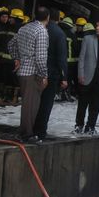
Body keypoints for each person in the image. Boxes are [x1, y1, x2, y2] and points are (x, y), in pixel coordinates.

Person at [10, 6, 50, 142]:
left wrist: (17, 59)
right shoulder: (41, 31)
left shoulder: (24, 28)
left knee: (27, 104)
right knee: (31, 105)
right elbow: (40, 57)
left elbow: (11, 44)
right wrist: (44, 75)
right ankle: (26, 134)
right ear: (48, 17)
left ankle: (25, 131)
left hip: (22, 72)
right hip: (33, 73)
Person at [33, 8, 69, 140]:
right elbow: (61, 58)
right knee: (46, 103)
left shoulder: (37, 30)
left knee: (34, 102)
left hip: (35, 71)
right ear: (59, 19)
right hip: (51, 73)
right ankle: (40, 131)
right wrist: (64, 77)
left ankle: (30, 128)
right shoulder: (59, 34)